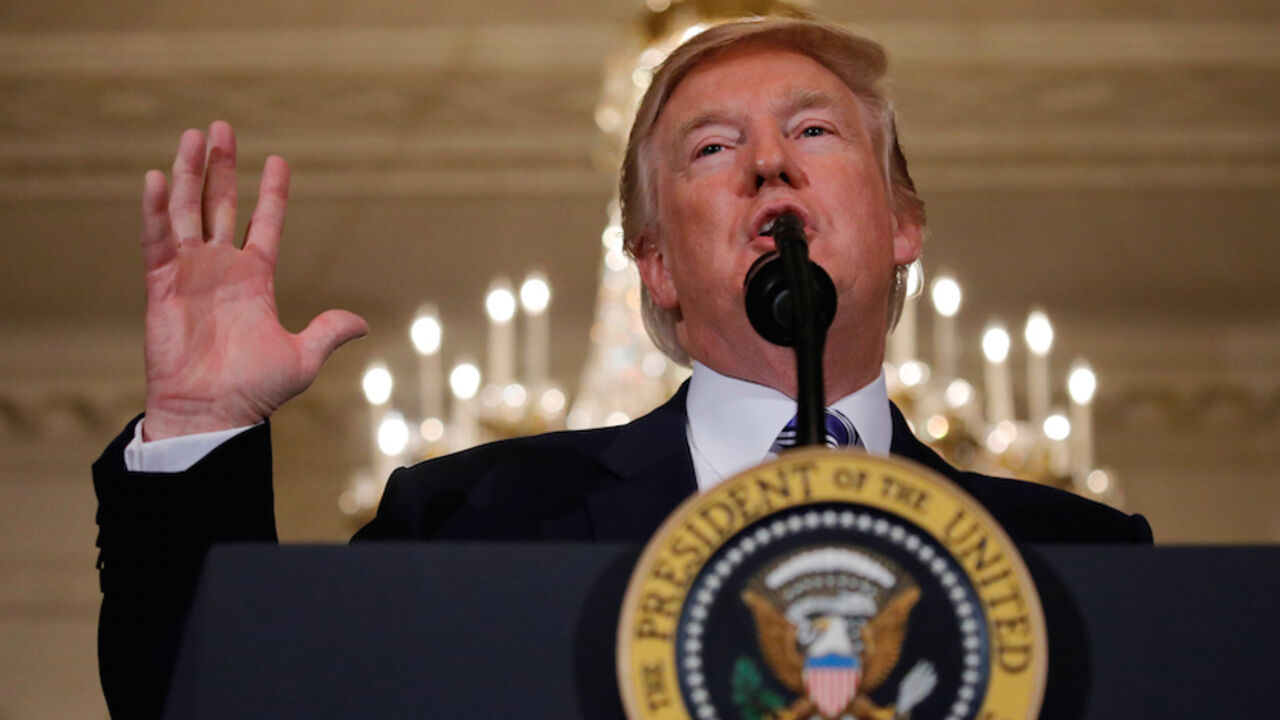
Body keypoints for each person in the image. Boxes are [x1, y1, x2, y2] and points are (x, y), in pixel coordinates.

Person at [92, 16, 1152, 719]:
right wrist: (199, 424)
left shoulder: (1079, 558)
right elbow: (210, 701)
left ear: (903, 222)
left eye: (814, 130)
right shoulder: (472, 520)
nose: (769, 162)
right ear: (652, 265)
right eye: (710, 148)